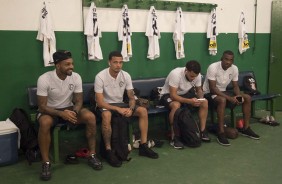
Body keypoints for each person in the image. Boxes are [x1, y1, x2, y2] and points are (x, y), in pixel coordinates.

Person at [37, 50, 102, 181]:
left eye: (72, 63)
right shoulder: (44, 79)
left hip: (70, 109)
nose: (71, 66)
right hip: (50, 111)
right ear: (57, 65)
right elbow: (42, 106)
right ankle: (46, 163)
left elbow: (78, 100)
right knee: (44, 123)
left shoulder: (76, 77)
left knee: (90, 117)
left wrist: (75, 112)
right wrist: (61, 114)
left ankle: (92, 155)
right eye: (67, 64)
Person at [94, 51, 159, 167]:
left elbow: (131, 97)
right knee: (106, 115)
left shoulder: (126, 75)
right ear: (109, 62)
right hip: (106, 105)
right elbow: (100, 102)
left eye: (120, 62)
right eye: (115, 62)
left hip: (121, 104)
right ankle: (109, 151)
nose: (118, 65)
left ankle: (143, 145)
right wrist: (117, 109)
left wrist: (131, 108)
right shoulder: (100, 76)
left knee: (142, 111)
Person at [202, 50, 260, 146]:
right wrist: (230, 98)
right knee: (223, 100)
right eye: (226, 59)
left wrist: (238, 96)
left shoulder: (234, 69)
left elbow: (235, 86)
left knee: (247, 98)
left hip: (224, 92)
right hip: (209, 94)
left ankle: (246, 128)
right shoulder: (213, 67)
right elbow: (213, 89)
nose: (228, 62)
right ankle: (221, 132)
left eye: (231, 60)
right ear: (222, 59)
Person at [160, 60, 210, 149]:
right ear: (186, 70)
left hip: (184, 94)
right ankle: (174, 137)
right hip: (167, 95)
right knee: (176, 105)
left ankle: (202, 131)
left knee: (205, 102)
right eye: (191, 76)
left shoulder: (197, 76)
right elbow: (173, 95)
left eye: (195, 77)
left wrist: (200, 98)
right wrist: (190, 101)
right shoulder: (175, 74)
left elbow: (199, 90)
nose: (193, 78)